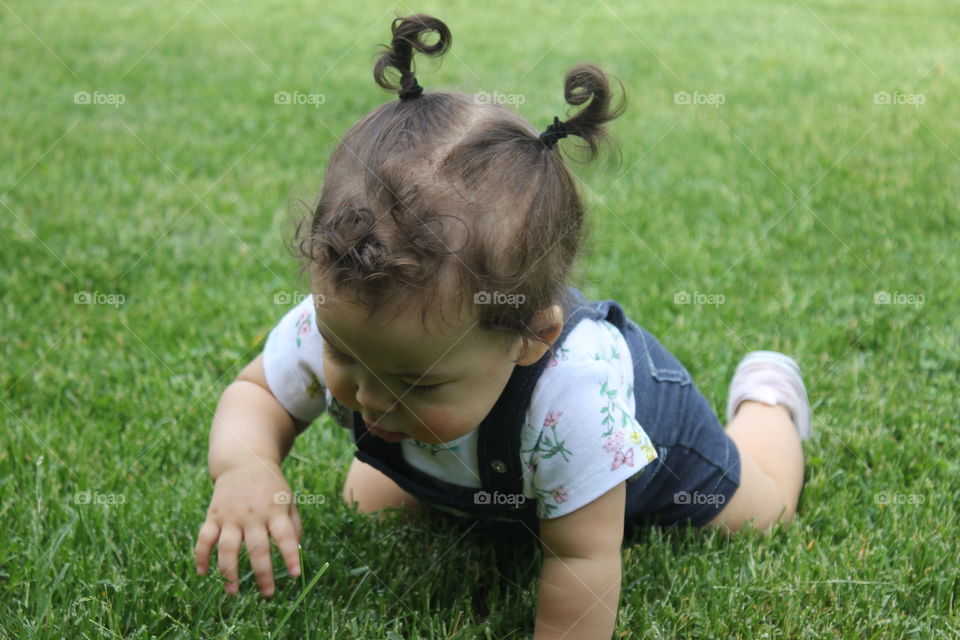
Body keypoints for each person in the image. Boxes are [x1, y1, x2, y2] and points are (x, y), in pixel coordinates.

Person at [194, 14, 812, 639]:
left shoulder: (572, 398)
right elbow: (258, 394)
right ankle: (454, 470)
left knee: (764, 512)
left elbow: (580, 558)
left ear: (530, 337)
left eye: (418, 383)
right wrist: (247, 465)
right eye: (345, 357)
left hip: (654, 448)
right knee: (370, 496)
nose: (369, 398)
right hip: (502, 451)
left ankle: (768, 402)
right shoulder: (351, 319)